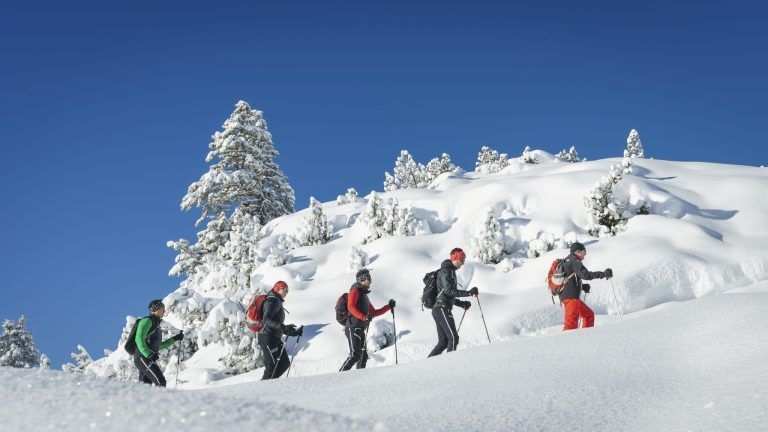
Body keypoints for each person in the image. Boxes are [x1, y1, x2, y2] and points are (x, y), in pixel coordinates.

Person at [339, 269, 396, 371]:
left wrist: (388, 307)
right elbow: (350, 307)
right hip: (353, 327)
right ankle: (338, 378)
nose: (370, 280)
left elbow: (373, 312)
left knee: (363, 356)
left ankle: (359, 378)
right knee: (355, 355)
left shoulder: (364, 295)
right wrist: (364, 317)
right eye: (368, 278)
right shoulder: (355, 291)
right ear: (362, 279)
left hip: (360, 329)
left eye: (370, 278)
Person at [428, 248, 478, 357]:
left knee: (443, 342)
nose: (463, 263)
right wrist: (469, 293)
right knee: (453, 338)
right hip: (441, 307)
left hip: (439, 308)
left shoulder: (448, 271)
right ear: (455, 258)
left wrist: (461, 304)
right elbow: (449, 291)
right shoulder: (447, 271)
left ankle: (426, 366)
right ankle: (449, 365)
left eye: (464, 260)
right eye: (461, 260)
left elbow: (445, 294)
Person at [559, 242, 613, 331]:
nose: (585, 254)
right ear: (578, 251)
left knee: (589, 315)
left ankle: (586, 336)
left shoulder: (567, 260)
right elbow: (586, 275)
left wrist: (582, 286)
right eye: (584, 251)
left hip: (569, 296)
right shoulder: (575, 261)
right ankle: (566, 343)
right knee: (570, 326)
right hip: (571, 298)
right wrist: (603, 274)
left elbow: (569, 279)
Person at [133, 299, 184, 387]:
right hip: (143, 356)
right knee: (160, 381)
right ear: (155, 310)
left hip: (147, 357)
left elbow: (157, 346)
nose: (164, 311)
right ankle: (162, 400)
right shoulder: (147, 321)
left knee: (145, 387)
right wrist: (148, 354)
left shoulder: (155, 325)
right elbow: (139, 339)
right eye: (162, 309)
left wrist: (174, 339)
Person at [259, 281, 303, 380]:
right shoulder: (272, 301)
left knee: (284, 364)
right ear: (277, 288)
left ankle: (271, 385)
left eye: (287, 289)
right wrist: (283, 327)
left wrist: (292, 332)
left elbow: (276, 324)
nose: (286, 292)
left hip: (274, 338)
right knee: (271, 366)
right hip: (267, 337)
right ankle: (262, 388)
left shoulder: (276, 301)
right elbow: (266, 320)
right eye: (284, 289)